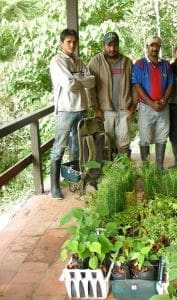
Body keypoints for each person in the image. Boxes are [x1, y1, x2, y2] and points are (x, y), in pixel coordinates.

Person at [49, 28, 94, 199]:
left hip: (81, 109)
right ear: (62, 43)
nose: (72, 45)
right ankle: (54, 187)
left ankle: (73, 181)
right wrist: (80, 79)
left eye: (74, 42)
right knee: (59, 147)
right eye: (68, 42)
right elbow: (69, 84)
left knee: (76, 147)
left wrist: (77, 79)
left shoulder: (79, 61)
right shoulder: (57, 61)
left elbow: (92, 81)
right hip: (65, 110)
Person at [88, 32, 135, 157]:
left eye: (115, 45)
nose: (112, 48)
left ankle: (124, 171)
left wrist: (133, 106)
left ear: (118, 45)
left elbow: (134, 85)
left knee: (123, 144)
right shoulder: (96, 62)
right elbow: (89, 87)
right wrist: (95, 108)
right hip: (105, 111)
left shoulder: (127, 62)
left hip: (124, 110)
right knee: (106, 142)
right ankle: (109, 173)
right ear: (104, 45)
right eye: (109, 45)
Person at [132, 35, 174, 171]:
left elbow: (170, 84)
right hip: (145, 107)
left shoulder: (166, 65)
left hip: (163, 106)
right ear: (147, 47)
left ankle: (159, 167)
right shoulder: (139, 64)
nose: (154, 48)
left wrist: (163, 100)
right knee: (145, 136)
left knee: (162, 136)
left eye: (157, 45)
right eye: (152, 45)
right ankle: (146, 169)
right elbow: (137, 85)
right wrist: (151, 103)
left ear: (159, 47)